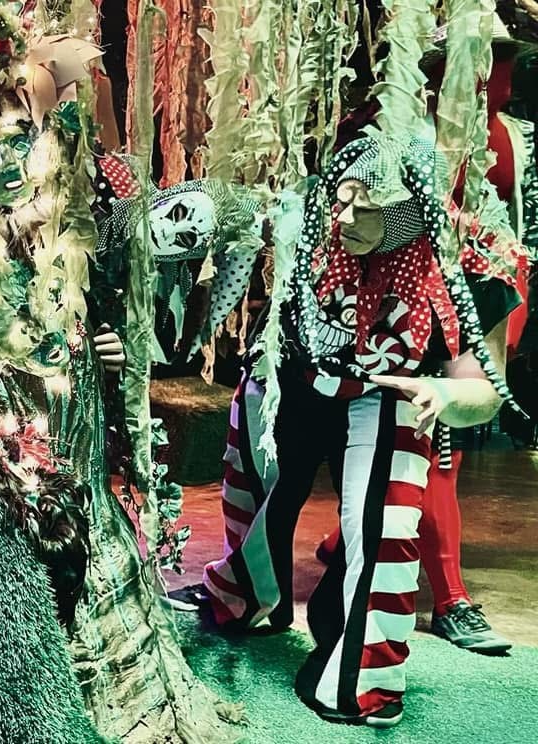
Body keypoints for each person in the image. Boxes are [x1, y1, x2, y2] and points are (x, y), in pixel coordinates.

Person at [201, 134, 520, 728]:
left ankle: (362, 680)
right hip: (293, 378)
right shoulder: (314, 222)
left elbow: (485, 391)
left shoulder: (465, 259)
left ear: (409, 212)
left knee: (382, 527)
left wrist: (445, 393)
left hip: (385, 394)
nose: (344, 218)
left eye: (365, 208)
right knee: (259, 486)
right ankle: (246, 594)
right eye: (341, 200)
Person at [317, 17, 537, 655]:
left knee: (443, 427)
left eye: (502, 62)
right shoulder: (395, 131)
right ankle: (449, 595)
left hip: (486, 278)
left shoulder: (512, 137)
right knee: (422, 435)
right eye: (484, 60)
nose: (494, 77)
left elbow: (517, 215)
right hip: (407, 284)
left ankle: (363, 543)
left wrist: (514, 288)